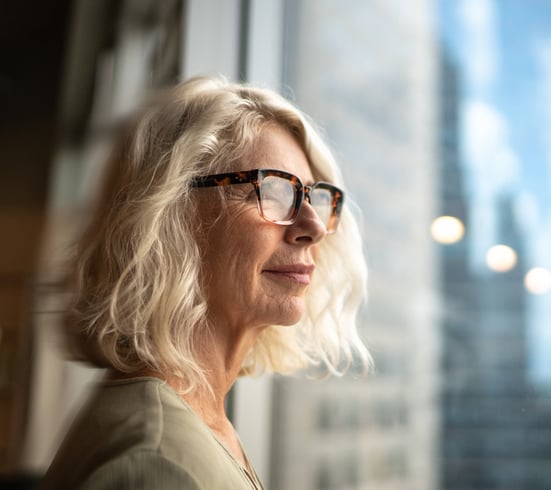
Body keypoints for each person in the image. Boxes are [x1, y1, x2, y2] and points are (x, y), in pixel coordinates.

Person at [41, 76, 370, 490]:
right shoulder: (156, 462)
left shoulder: (195, 422)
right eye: (272, 192)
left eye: (313, 197)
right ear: (167, 216)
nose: (314, 227)